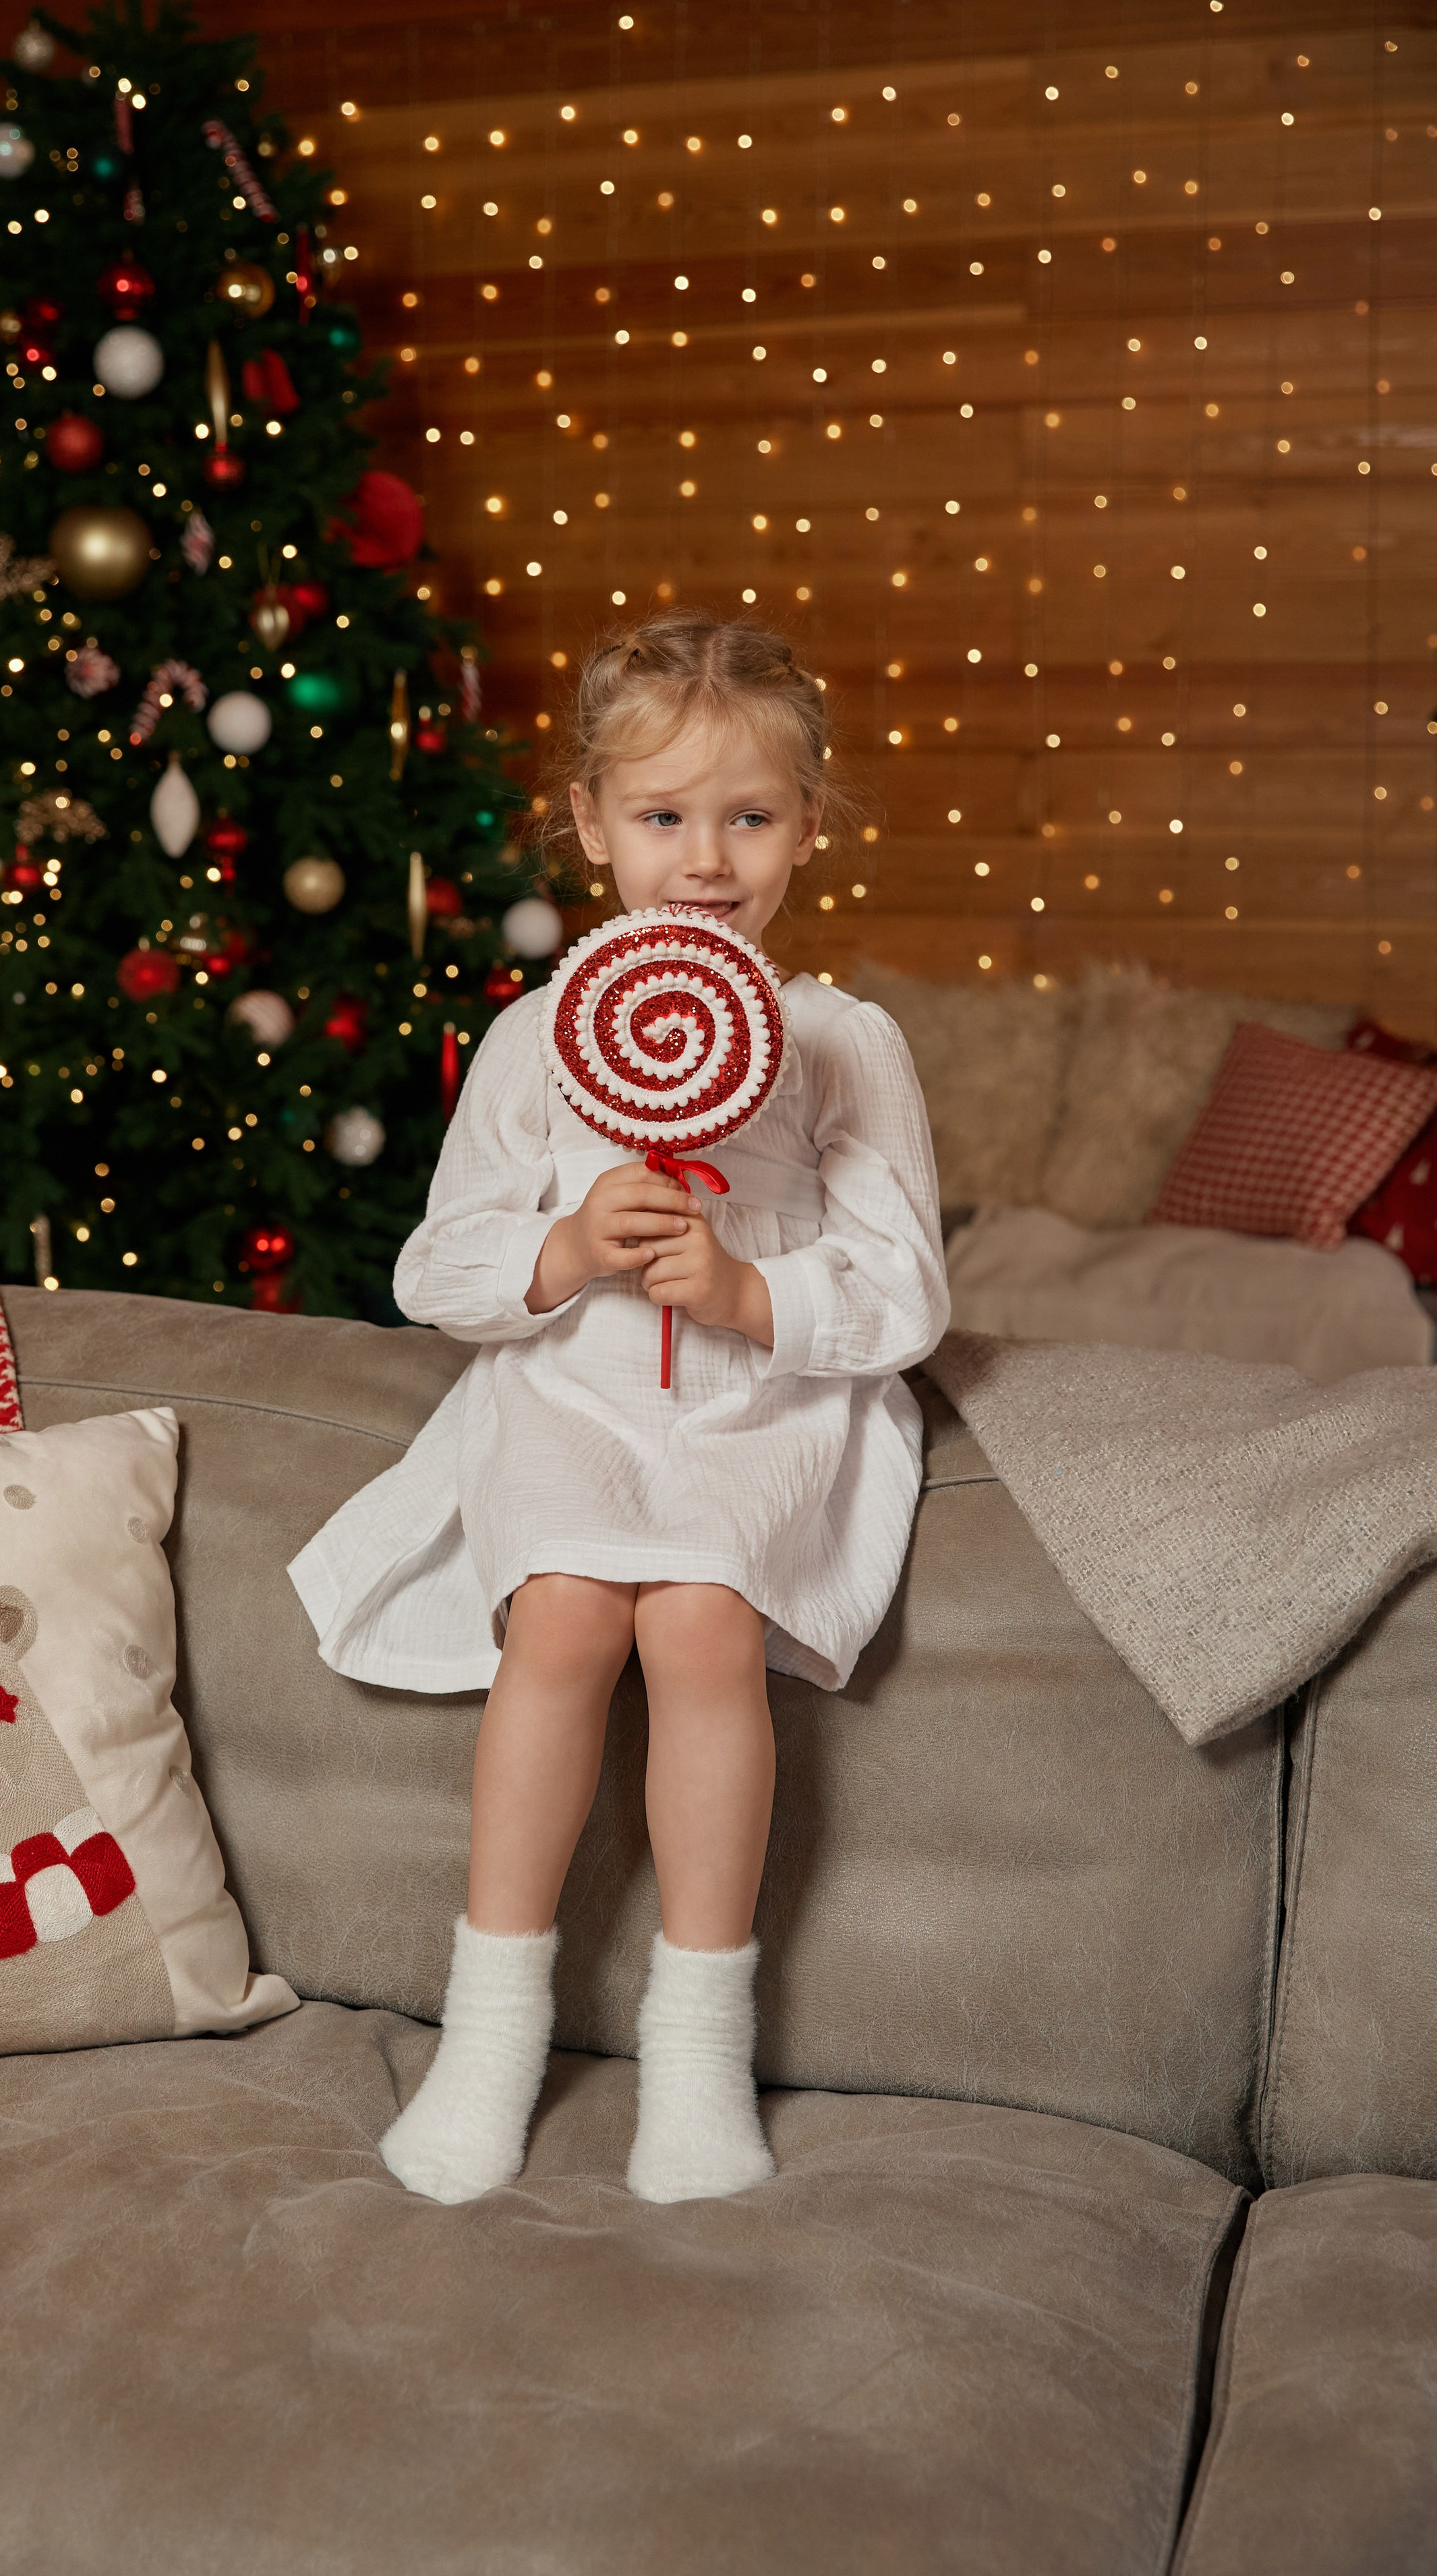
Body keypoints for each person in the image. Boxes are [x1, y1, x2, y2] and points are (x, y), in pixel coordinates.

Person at [289, 610, 948, 2205]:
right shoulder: (535, 1039)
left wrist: (744, 1295)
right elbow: (434, 1266)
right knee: (569, 1613)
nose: (704, 860)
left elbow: (904, 1290)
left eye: (748, 816)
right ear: (589, 825)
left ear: (807, 826)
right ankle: (493, 2026)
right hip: (572, 1395)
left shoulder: (843, 1047)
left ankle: (697, 2039)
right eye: (660, 816)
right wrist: (566, 1247)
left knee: (702, 1627)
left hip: (758, 1407)